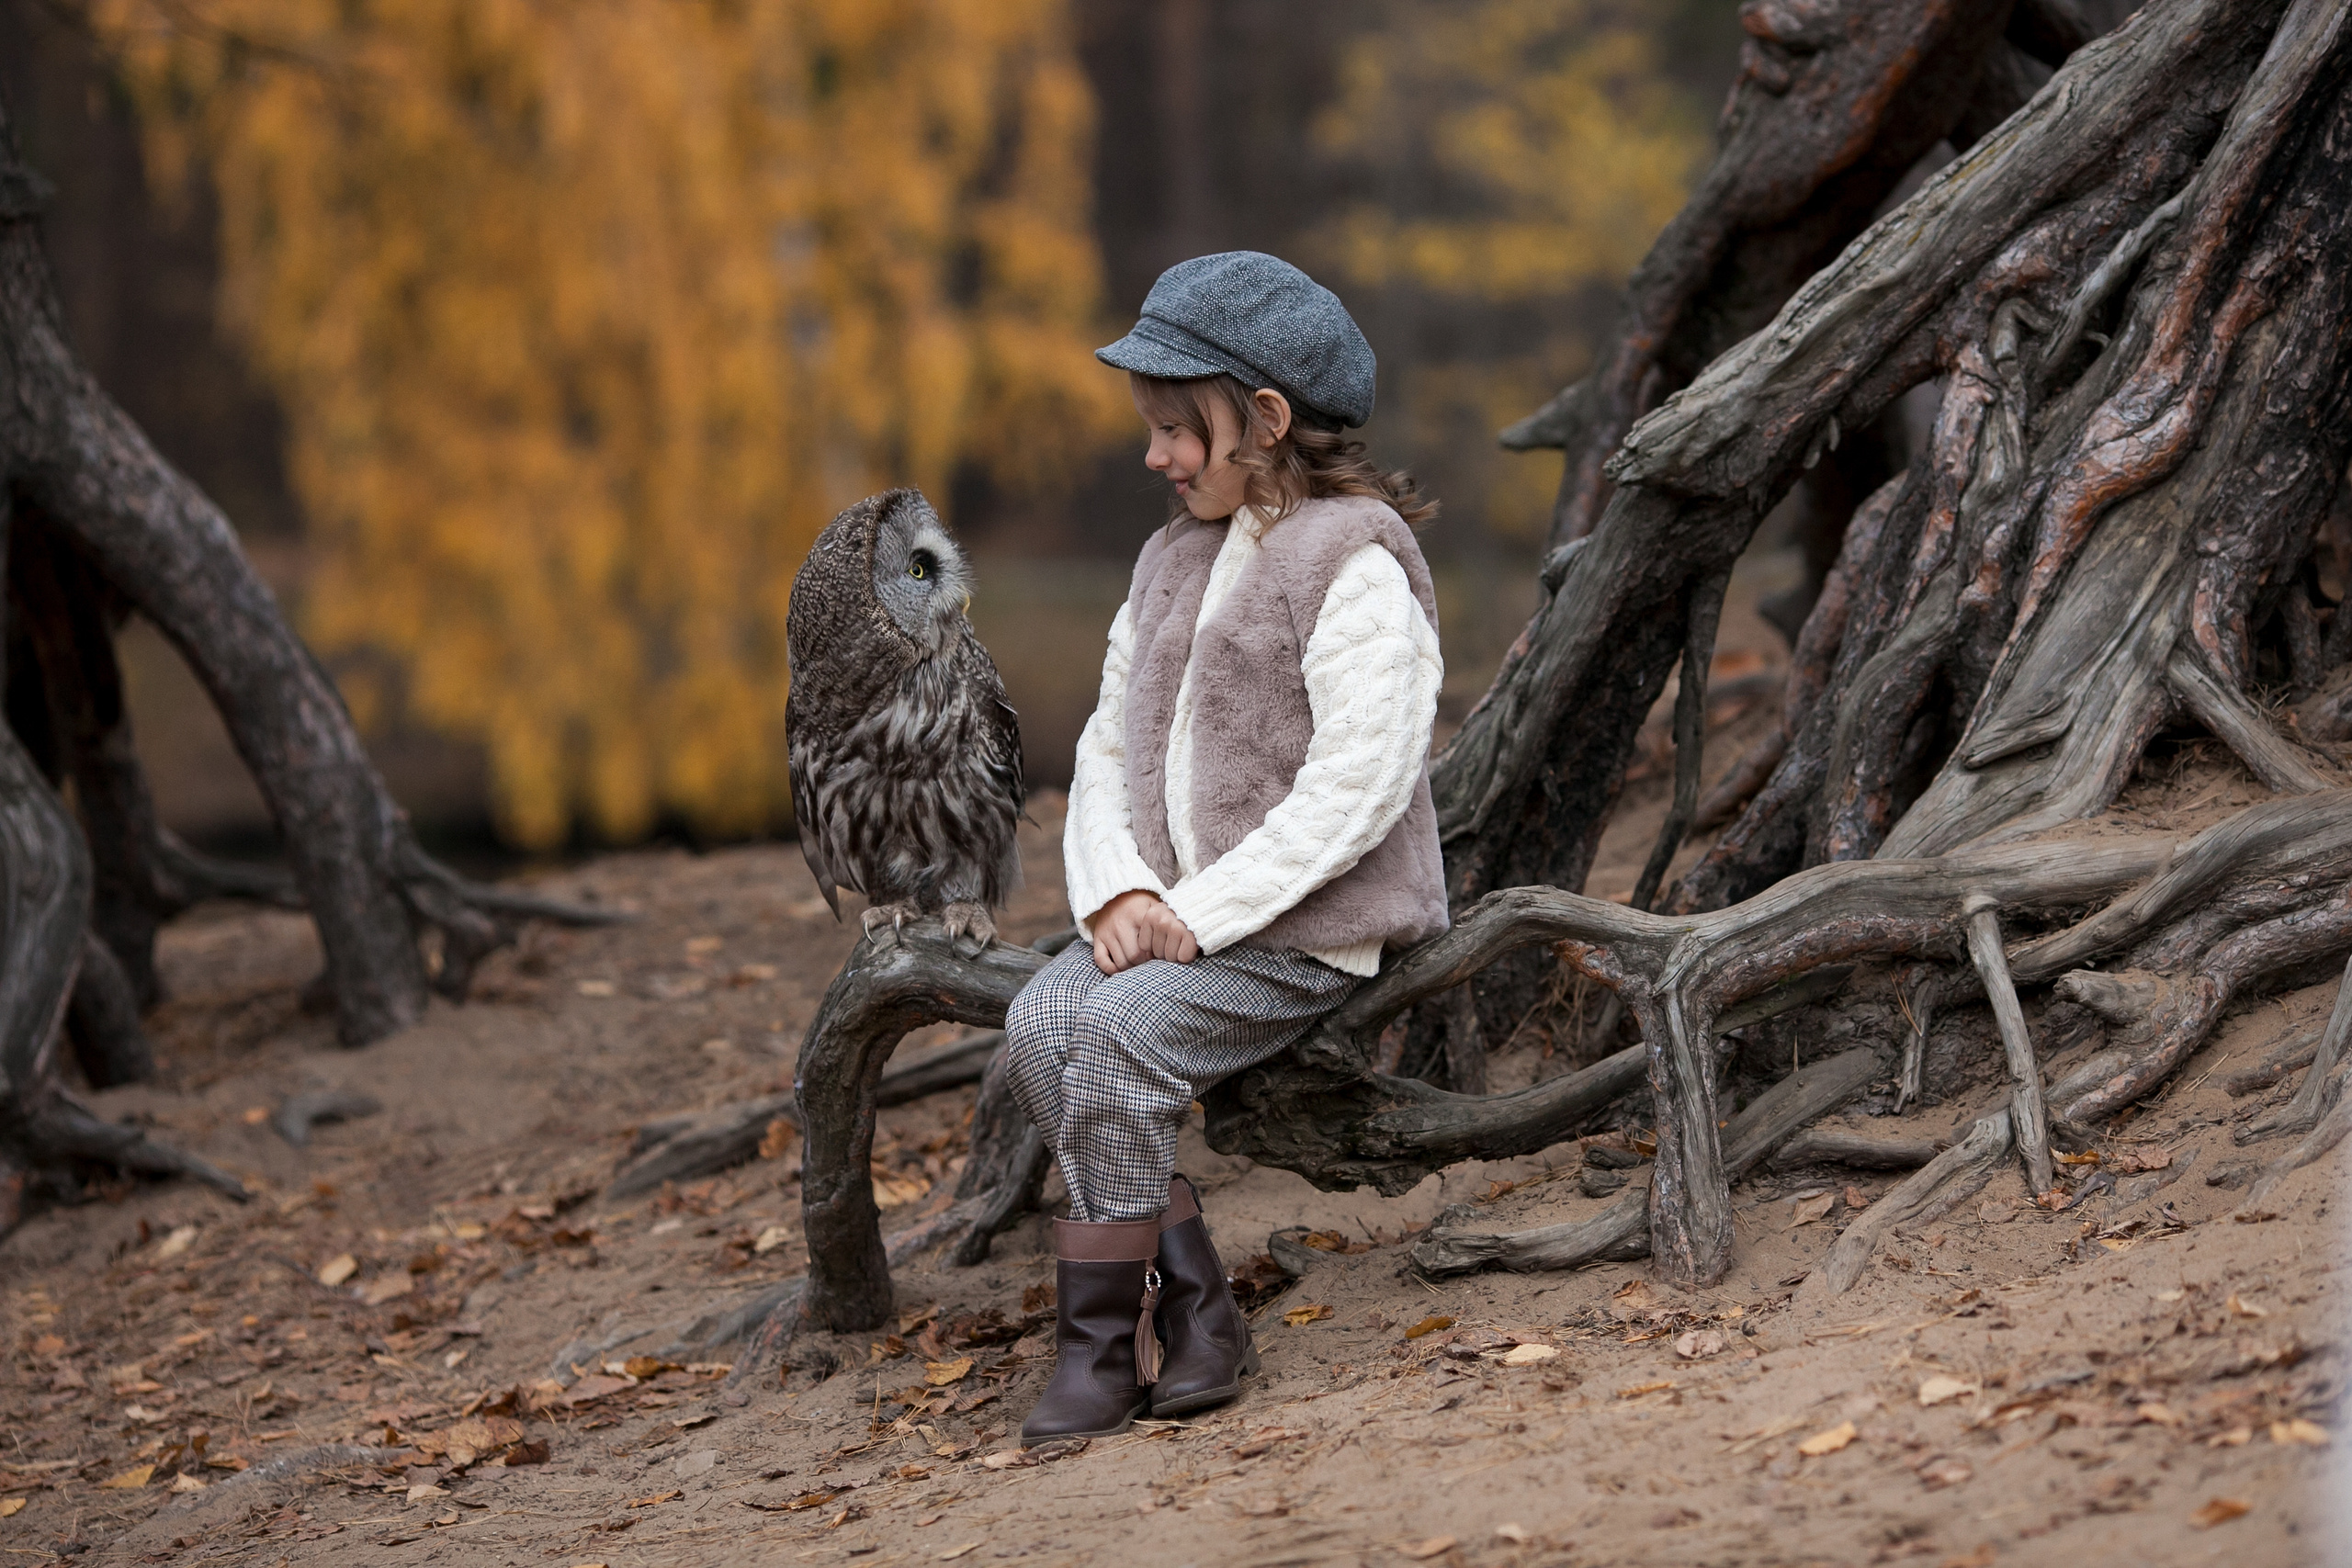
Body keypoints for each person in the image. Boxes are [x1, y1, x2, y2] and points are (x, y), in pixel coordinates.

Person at [1003, 251, 1449, 1442]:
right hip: (1173, 919)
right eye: (1149, 431)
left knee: (1120, 1038)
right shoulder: (1166, 563)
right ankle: (1192, 1306)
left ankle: (1104, 1342)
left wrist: (1199, 916)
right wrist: (1123, 894)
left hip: (1305, 928)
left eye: (1176, 430)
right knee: (1041, 1024)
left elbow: (1357, 785)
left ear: (1265, 419)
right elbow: (1106, 746)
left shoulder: (1352, 560)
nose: (1154, 457)